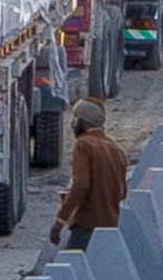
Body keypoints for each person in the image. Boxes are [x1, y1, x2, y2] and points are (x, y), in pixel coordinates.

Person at [52, 104, 128, 249]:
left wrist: (61, 220)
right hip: (111, 226)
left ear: (83, 122)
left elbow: (81, 185)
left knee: (73, 263)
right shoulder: (116, 149)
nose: (73, 125)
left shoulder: (83, 145)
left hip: (86, 226)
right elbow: (122, 192)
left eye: (75, 119)